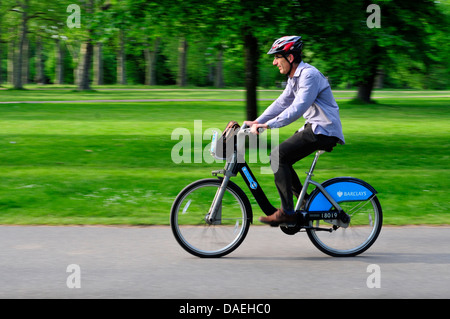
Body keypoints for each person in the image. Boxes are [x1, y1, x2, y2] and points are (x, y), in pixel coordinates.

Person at [244, 35, 345, 226]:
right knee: (282, 159)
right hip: (314, 128)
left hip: (323, 130)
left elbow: (297, 108)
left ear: (290, 57)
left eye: (277, 57)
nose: (274, 62)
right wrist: (257, 121)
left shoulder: (309, 75)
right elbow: (282, 102)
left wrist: (268, 125)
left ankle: (288, 212)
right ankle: (306, 203)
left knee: (277, 156)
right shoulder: (294, 77)